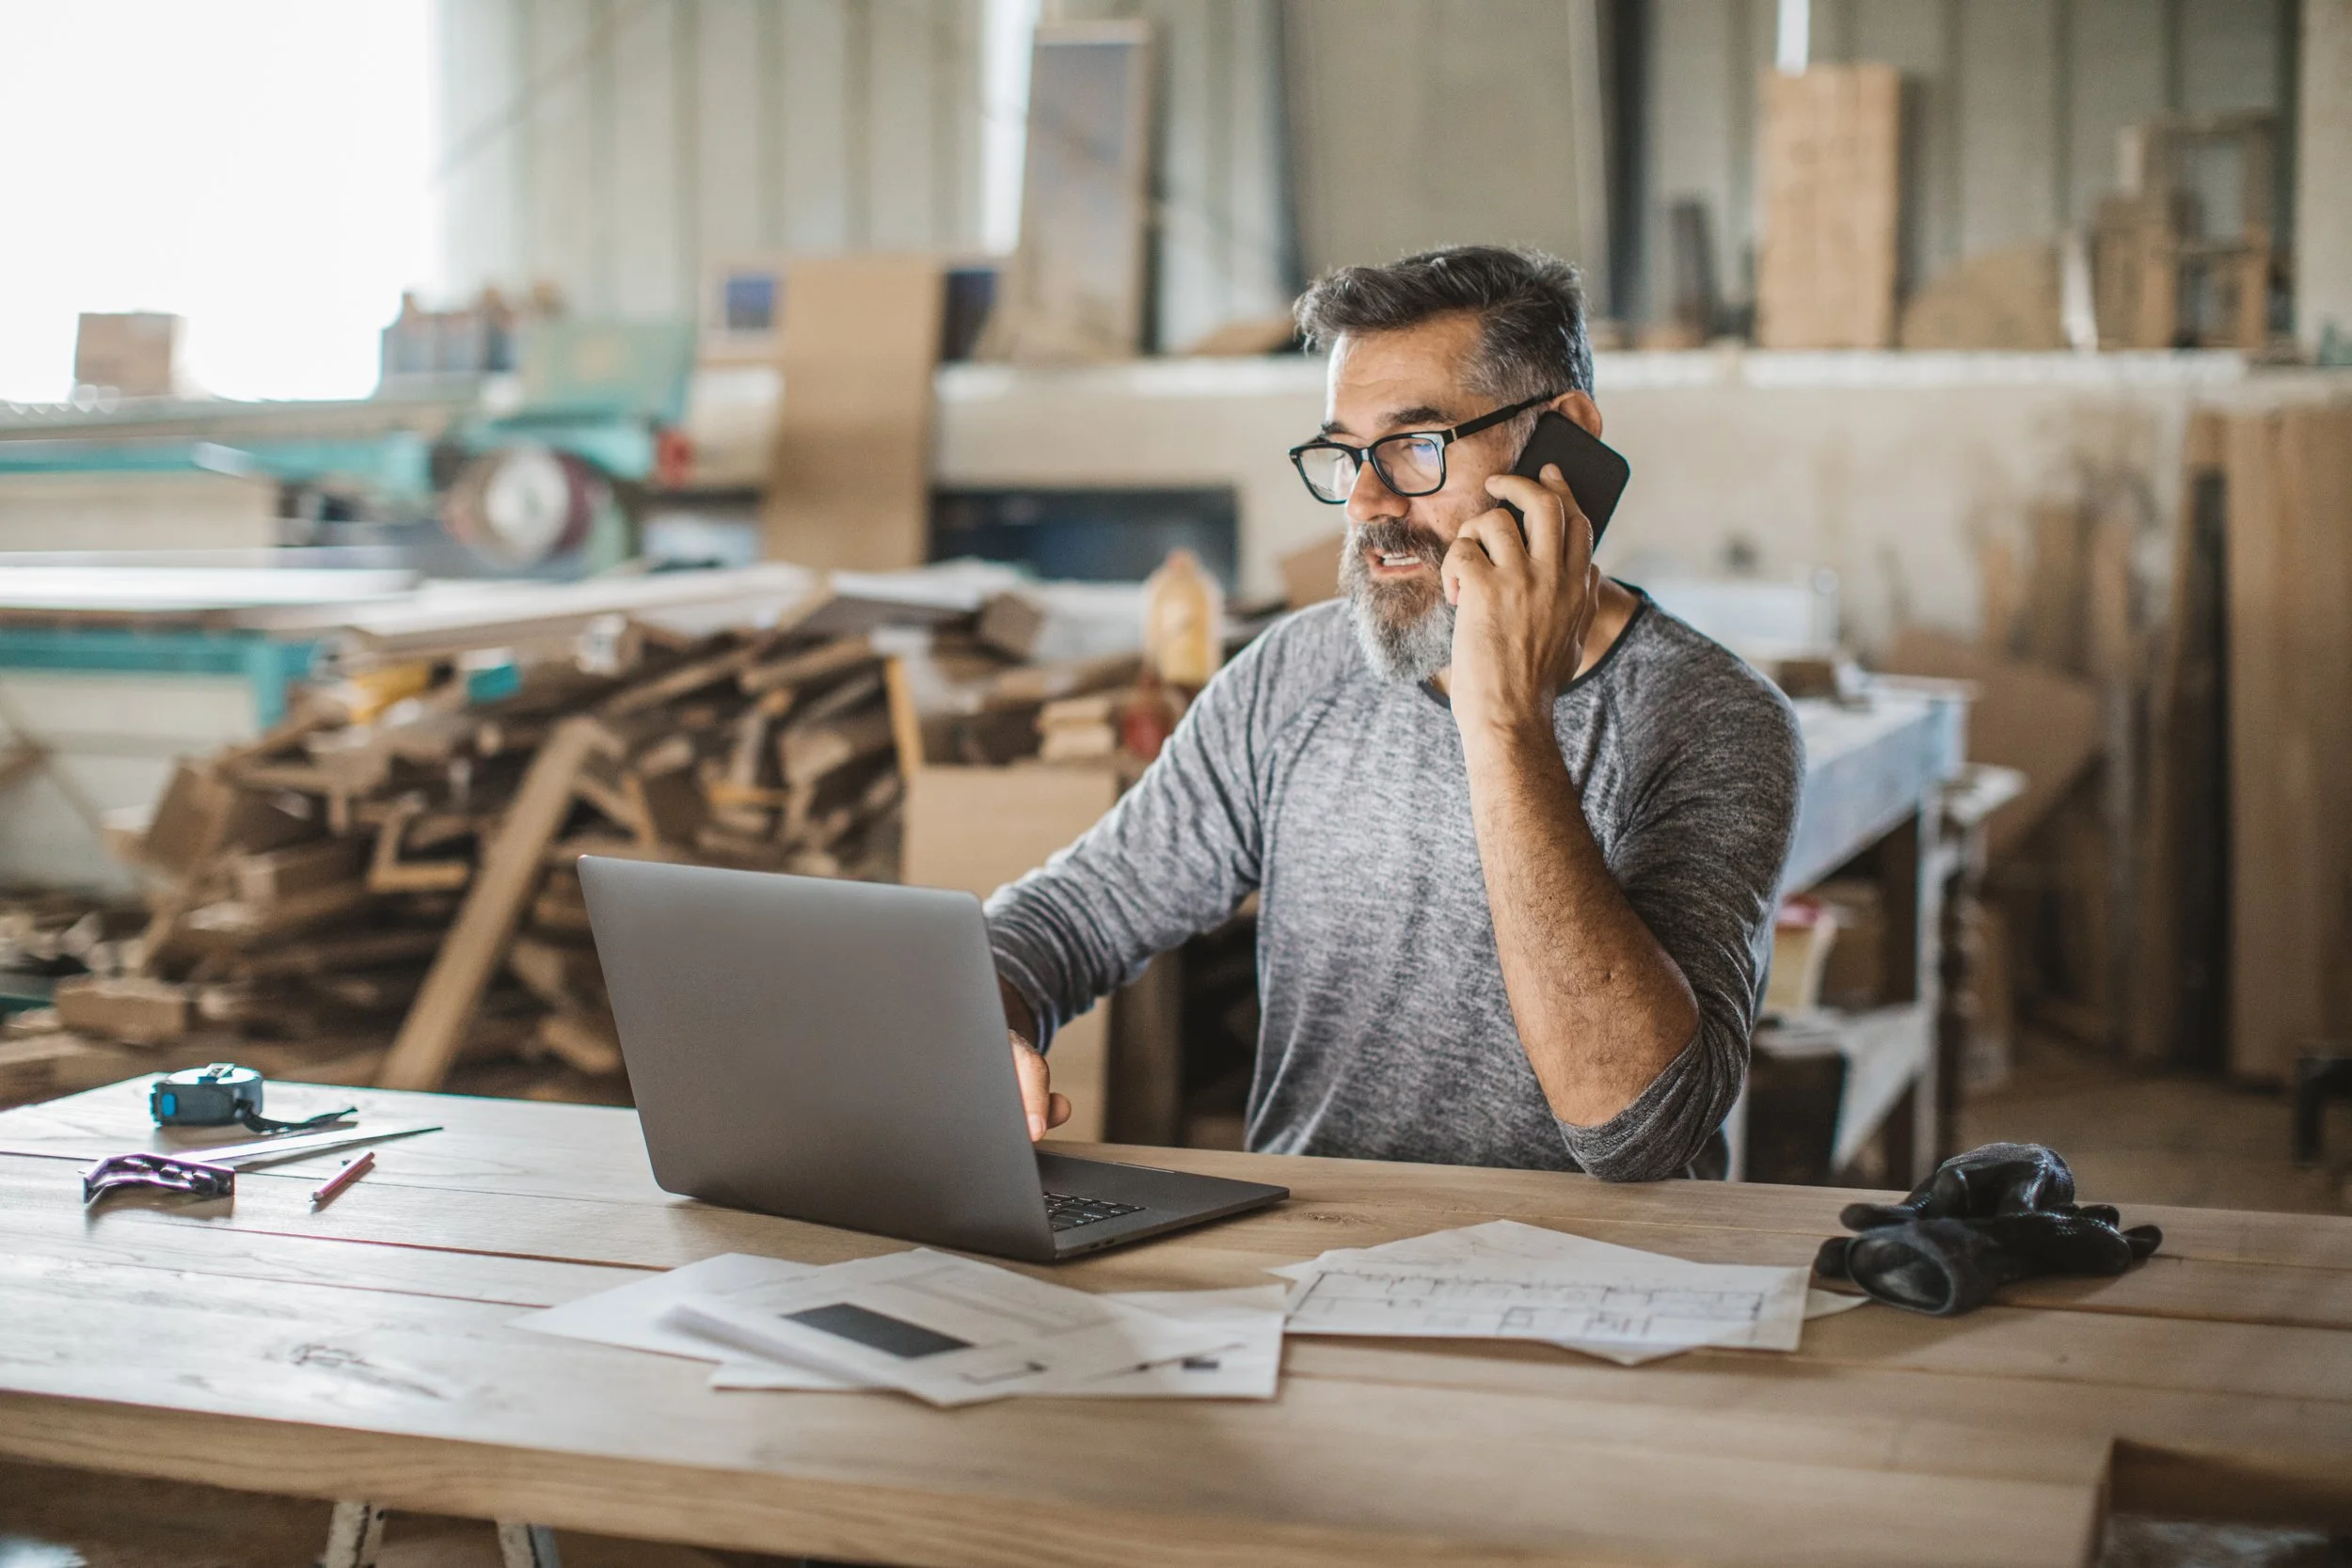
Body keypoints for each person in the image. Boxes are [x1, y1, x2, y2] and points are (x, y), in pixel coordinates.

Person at [986, 245, 1803, 1181]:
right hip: (1312, 1261)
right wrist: (985, 1016)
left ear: (1563, 443)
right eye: (1343, 452)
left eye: (1414, 447)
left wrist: (1504, 716)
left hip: (1599, 1285)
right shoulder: (1294, 675)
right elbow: (1069, 918)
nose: (1366, 501)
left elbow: (1635, 1130)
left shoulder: (1713, 718)